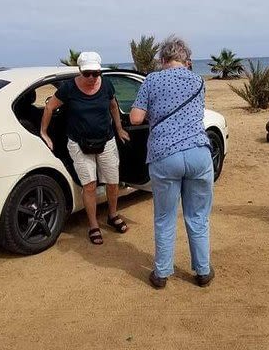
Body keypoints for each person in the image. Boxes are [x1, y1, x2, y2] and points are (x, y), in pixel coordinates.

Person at [130, 36, 215, 289]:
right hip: (199, 154)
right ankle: (202, 271)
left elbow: (135, 118)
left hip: (165, 156)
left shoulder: (152, 80)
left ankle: (162, 273)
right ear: (186, 60)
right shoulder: (198, 81)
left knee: (165, 218)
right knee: (198, 216)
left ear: (162, 59)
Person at [40, 51, 130, 245]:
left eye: (95, 73)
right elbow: (49, 108)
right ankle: (93, 225)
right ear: (81, 70)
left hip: (106, 140)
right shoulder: (69, 88)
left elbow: (113, 107)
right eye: (87, 73)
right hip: (79, 143)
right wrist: (44, 133)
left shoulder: (106, 84)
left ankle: (112, 215)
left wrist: (120, 128)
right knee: (89, 185)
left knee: (112, 181)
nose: (91, 77)